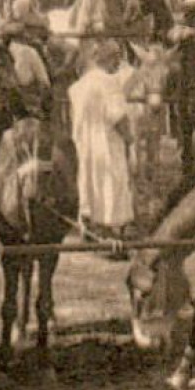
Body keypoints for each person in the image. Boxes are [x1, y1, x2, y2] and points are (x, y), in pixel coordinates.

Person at [67, 40, 134, 248]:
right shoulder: (108, 82)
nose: (118, 65)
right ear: (108, 58)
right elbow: (117, 116)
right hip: (106, 141)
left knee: (87, 181)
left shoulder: (77, 87)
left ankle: (89, 226)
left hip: (83, 142)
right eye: (116, 59)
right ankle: (111, 233)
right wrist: (129, 138)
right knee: (111, 183)